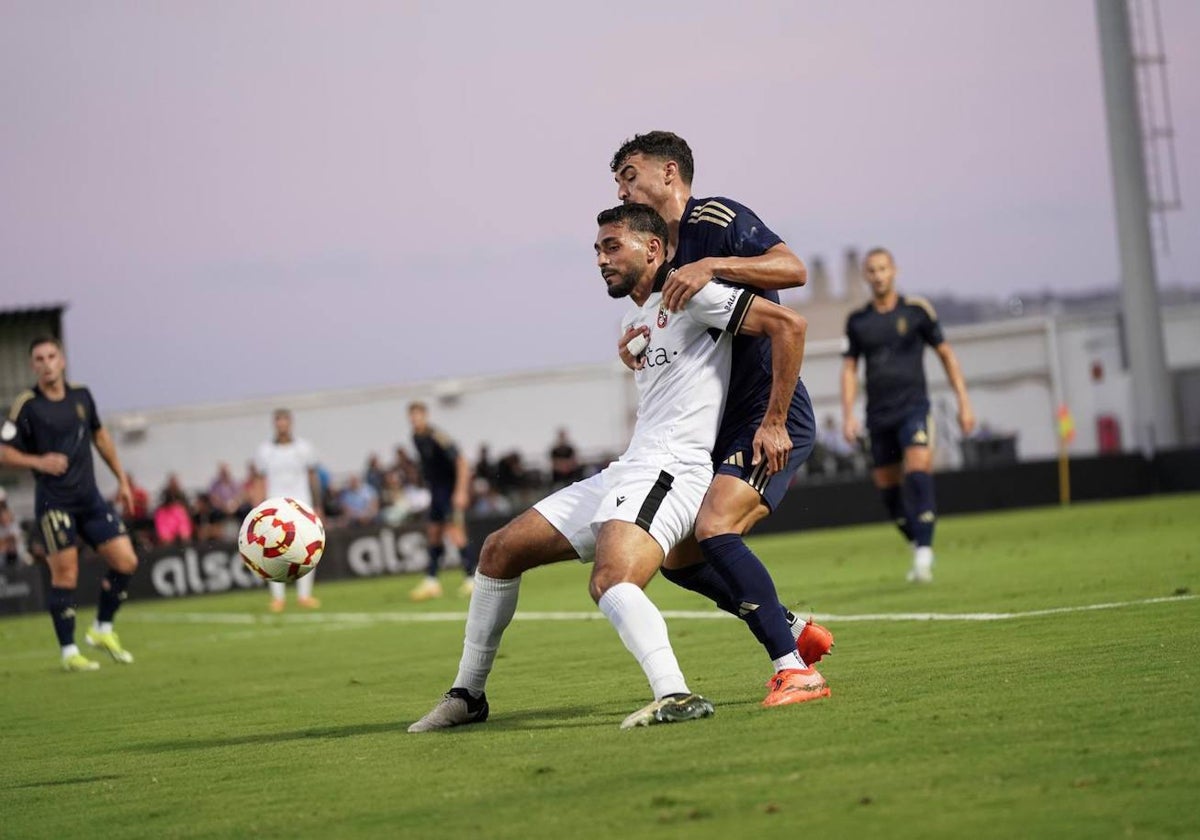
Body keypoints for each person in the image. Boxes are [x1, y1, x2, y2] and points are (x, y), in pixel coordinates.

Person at [409, 202, 810, 733]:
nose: (600, 259)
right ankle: (468, 694)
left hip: (673, 470)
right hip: (630, 468)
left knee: (612, 580)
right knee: (498, 551)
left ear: (653, 248)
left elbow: (789, 324)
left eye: (611, 246)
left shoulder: (692, 295)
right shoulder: (634, 317)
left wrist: (775, 420)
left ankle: (677, 692)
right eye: (597, 249)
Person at [610, 131, 833, 702]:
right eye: (616, 180)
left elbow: (793, 269)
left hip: (767, 413)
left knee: (713, 528)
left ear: (668, 173)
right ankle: (789, 628)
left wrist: (714, 263)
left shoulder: (715, 219)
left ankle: (795, 670)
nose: (621, 187)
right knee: (680, 557)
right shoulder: (657, 249)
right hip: (716, 424)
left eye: (630, 174)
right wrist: (642, 348)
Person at [0, 336, 140, 671]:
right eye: (39, 358)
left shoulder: (82, 395)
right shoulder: (27, 405)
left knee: (126, 561)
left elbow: (101, 437)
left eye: (51, 356)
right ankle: (69, 652)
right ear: (34, 366)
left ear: (61, 360)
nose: (47, 363)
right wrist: (38, 462)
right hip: (55, 502)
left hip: (89, 499)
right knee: (66, 575)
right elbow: (3, 451)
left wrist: (121, 479)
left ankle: (102, 629)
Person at [841, 247, 975, 582]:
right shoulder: (858, 322)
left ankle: (925, 555)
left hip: (914, 408)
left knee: (918, 468)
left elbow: (946, 354)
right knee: (888, 490)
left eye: (883, 268)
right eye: (871, 270)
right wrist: (848, 415)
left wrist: (964, 401)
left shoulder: (917, 311)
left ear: (894, 271)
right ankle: (919, 542)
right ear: (865, 276)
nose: (878, 275)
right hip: (878, 415)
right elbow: (848, 370)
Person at [407, 402, 479, 600]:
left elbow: (461, 462)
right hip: (436, 491)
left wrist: (461, 491)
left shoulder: (437, 436)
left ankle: (472, 579)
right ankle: (432, 581)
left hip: (449, 490)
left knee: (456, 533)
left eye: (418, 415)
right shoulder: (415, 438)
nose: (414, 419)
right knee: (433, 534)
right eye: (412, 416)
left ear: (425, 416)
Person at [254, 408, 323, 611]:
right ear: (275, 424)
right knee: (274, 553)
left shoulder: (304, 448)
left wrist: (318, 505)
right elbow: (259, 480)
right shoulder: (265, 450)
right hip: (274, 506)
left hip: (302, 504)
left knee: (308, 549)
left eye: (285, 421)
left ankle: (304, 595)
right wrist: (257, 509)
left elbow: (312, 476)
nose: (282, 426)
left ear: (290, 423)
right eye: (278, 422)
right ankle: (278, 598)